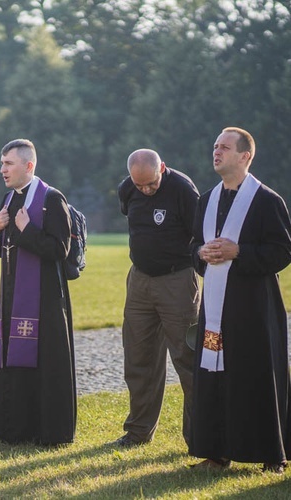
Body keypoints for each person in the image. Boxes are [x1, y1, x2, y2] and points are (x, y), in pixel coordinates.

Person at [190, 127, 291, 473]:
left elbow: (281, 251)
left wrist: (239, 252)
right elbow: (192, 248)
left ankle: (271, 454)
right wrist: (201, 252)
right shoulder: (206, 199)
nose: (216, 152)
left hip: (254, 307)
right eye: (215, 146)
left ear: (245, 156)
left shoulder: (267, 200)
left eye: (225, 147)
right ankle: (216, 451)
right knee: (213, 374)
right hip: (215, 307)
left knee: (257, 374)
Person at [0, 138, 76, 445]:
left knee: (43, 363)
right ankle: (12, 427)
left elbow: (60, 249)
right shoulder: (8, 200)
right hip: (11, 296)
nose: (2, 170)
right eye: (1, 163)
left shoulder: (52, 198)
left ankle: (44, 430)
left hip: (44, 300)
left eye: (8, 163)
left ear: (29, 165)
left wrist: (28, 231)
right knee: (12, 360)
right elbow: (3, 249)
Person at [114, 149, 200, 448]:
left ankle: (199, 438)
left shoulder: (183, 190)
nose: (146, 190)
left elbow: (199, 234)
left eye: (151, 183)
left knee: (187, 358)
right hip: (139, 280)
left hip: (176, 280)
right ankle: (138, 432)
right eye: (140, 186)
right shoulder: (129, 188)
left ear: (162, 167)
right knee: (138, 358)